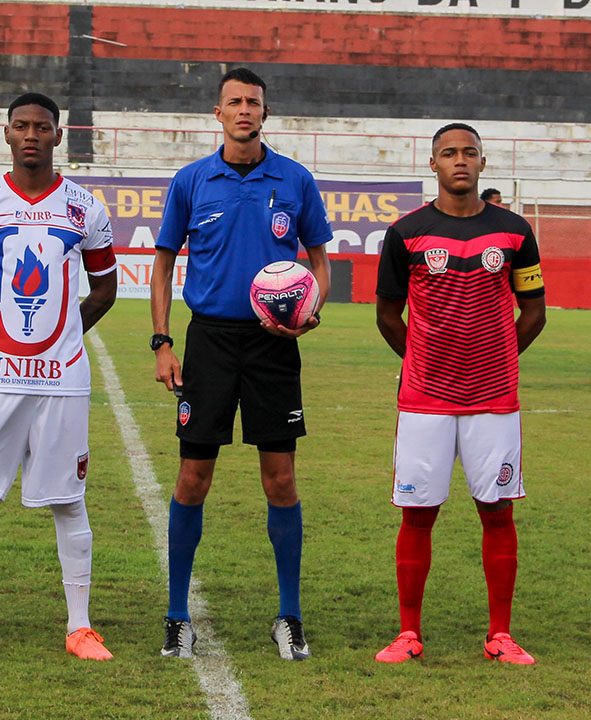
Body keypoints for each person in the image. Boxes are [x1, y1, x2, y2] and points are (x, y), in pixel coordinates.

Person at [0, 93, 118, 661]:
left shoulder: (86, 207)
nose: (31, 134)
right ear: (6, 133)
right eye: (21, 126)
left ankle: (80, 626)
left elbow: (104, 288)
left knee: (69, 499)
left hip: (63, 378)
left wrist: (61, 338)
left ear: (59, 137)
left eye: (42, 127)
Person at [151, 68, 332, 661]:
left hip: (274, 345)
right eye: (235, 102)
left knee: (280, 479)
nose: (244, 110)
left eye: (253, 102)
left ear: (265, 112)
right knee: (191, 478)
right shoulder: (191, 181)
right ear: (218, 112)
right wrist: (162, 341)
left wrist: (310, 314)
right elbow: (161, 264)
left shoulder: (296, 180)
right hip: (208, 343)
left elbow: (319, 262)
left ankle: (289, 616)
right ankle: (178, 617)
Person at [374, 123, 547, 665]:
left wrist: (496, 358)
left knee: (497, 512)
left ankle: (501, 634)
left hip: (493, 400)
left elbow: (535, 311)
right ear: (433, 165)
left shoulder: (515, 232)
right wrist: (423, 362)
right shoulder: (405, 233)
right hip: (425, 399)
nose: (460, 161)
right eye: (449, 153)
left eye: (469, 152)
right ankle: (408, 633)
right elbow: (386, 314)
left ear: (482, 161)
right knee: (416, 514)